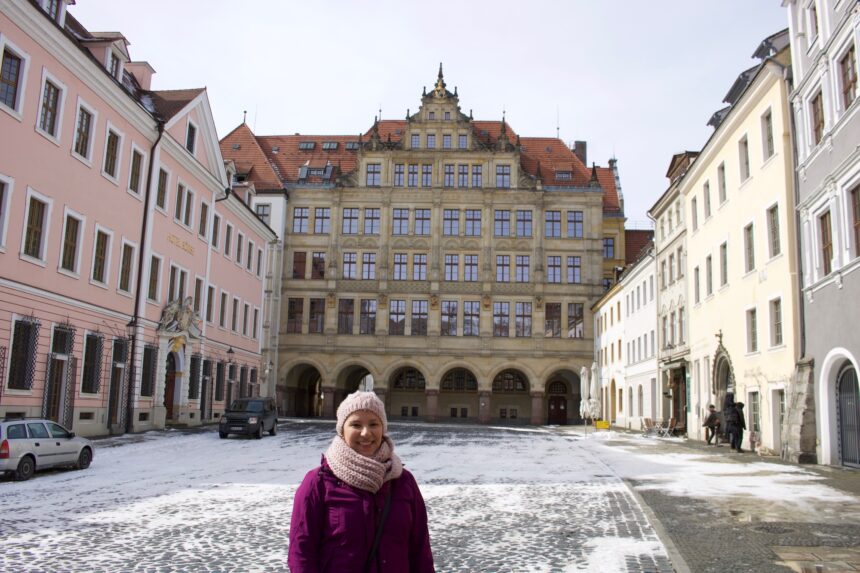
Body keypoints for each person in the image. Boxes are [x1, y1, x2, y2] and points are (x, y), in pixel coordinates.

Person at [288, 391, 435, 572]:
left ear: (383, 428)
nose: (366, 433)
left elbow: (420, 550)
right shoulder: (318, 482)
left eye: (374, 423)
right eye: (356, 424)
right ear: (342, 430)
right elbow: (301, 553)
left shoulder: (403, 481)